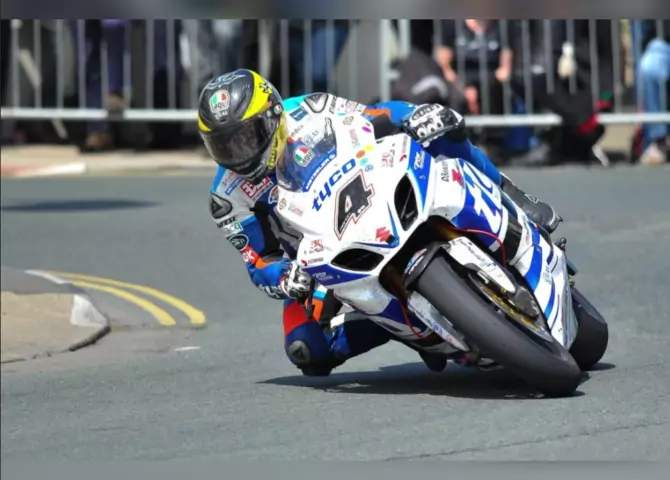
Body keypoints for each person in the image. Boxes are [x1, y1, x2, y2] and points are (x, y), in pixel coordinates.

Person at [198, 68, 561, 377]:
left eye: (246, 138)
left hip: (371, 193)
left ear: (273, 115)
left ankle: (511, 194)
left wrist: (414, 115)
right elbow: (258, 260)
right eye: (224, 146)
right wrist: (284, 277)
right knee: (306, 349)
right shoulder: (227, 197)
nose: (238, 154)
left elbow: (376, 116)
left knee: (442, 131)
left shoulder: (312, 109)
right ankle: (412, 329)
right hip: (321, 261)